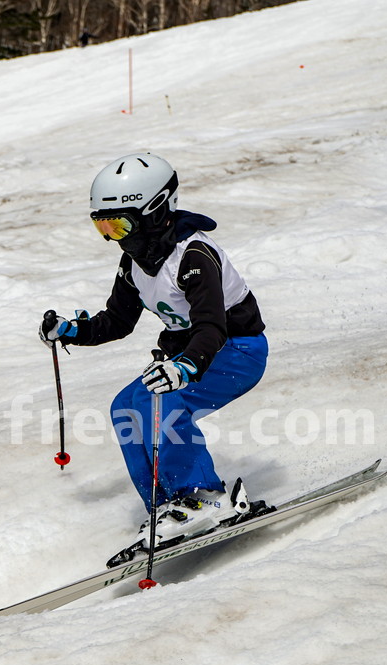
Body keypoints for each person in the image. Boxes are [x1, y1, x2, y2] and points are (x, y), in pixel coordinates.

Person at [40, 152, 268, 555]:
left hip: (237, 350)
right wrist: (72, 330)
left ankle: (201, 495)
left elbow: (212, 326)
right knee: (125, 406)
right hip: (191, 354)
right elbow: (117, 321)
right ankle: (167, 505)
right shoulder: (134, 263)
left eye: (120, 224)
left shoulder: (194, 255)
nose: (115, 236)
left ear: (156, 210)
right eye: (104, 227)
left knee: (160, 402)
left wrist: (186, 366)